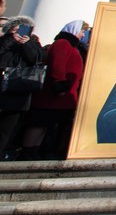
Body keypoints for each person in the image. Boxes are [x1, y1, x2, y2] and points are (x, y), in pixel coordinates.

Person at [19, 20, 87, 159]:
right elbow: (57, 65)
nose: (83, 35)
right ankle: (27, 152)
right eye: (82, 31)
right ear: (74, 30)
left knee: (45, 125)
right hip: (53, 95)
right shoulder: (63, 43)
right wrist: (60, 84)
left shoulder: (70, 45)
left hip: (61, 96)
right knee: (38, 124)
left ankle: (34, 150)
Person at [0, 16, 43, 155]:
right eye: (16, 29)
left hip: (18, 93)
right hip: (3, 88)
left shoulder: (32, 43)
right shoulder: (5, 41)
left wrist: (27, 44)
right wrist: (10, 39)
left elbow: (36, 59)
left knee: (6, 129)